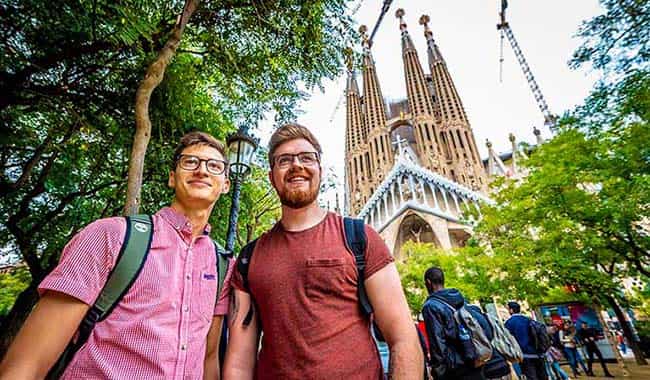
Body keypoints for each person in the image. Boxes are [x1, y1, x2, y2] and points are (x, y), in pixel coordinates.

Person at [0, 131, 235, 379]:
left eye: (214, 166)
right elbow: (27, 364)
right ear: (172, 178)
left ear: (226, 185)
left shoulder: (222, 265)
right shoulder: (110, 235)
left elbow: (208, 360)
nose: (202, 170)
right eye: (190, 162)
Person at [223, 123, 422, 379]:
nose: (297, 165)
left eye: (307, 158)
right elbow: (239, 361)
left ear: (321, 171)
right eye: (284, 160)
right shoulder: (249, 259)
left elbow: (403, 337)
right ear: (271, 176)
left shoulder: (359, 238)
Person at [421, 266, 487, 380]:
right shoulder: (460, 298)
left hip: (455, 368)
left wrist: (439, 371)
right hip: (473, 359)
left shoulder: (430, 306)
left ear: (428, 282)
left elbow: (437, 342)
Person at [504, 302, 547, 380]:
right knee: (542, 376)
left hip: (525, 355)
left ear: (511, 310)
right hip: (538, 354)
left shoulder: (509, 323)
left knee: (531, 377)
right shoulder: (529, 319)